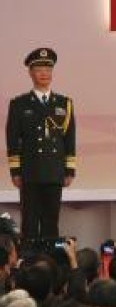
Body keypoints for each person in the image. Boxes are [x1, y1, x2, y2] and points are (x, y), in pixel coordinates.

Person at [5, 48, 75, 240]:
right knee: (29, 222)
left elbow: (69, 139)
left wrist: (69, 170)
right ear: (30, 73)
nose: (44, 73)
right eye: (39, 69)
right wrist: (15, 171)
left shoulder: (64, 103)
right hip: (30, 171)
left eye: (48, 69)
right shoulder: (19, 104)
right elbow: (12, 140)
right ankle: (29, 258)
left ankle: (50, 258)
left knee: (51, 222)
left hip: (54, 171)